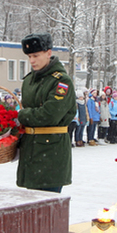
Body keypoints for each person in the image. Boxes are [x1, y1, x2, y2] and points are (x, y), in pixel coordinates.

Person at [16, 33, 77, 193]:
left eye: (36, 55)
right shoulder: (29, 81)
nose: (32, 61)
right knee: (30, 209)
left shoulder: (61, 81)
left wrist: (21, 116)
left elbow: (50, 114)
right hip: (30, 151)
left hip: (51, 153)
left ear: (49, 53)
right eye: (29, 56)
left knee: (47, 209)